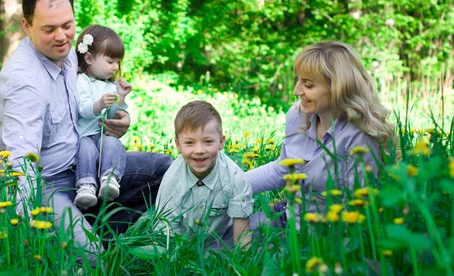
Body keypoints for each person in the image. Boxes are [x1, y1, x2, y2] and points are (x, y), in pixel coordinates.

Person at [0, 0, 172, 254]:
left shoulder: (71, 56)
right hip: (47, 183)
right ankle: (88, 240)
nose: (61, 36)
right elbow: (19, 165)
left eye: (67, 25)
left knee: (164, 170)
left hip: (84, 164)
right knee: (91, 256)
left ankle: (109, 233)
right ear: (26, 26)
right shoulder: (24, 83)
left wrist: (120, 117)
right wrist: (23, 232)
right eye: (49, 29)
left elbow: (95, 90)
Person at [245, 41, 394, 228]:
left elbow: (355, 211)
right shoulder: (298, 115)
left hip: (323, 234)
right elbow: (282, 170)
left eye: (308, 85)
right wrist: (229, 187)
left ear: (337, 88)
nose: (296, 91)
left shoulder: (359, 137)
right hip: (288, 215)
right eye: (298, 80)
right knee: (214, 243)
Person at [155, 100, 253, 247]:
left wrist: (240, 264)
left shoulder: (236, 178)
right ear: (178, 145)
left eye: (208, 142)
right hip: (181, 243)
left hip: (221, 237)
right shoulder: (172, 181)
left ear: (221, 142)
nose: (199, 150)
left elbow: (242, 239)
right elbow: (166, 234)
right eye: (189, 143)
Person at [73, 25, 132, 209]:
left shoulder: (111, 86)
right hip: (86, 135)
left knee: (113, 143)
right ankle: (86, 186)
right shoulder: (81, 81)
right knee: (85, 149)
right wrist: (99, 104)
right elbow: (82, 108)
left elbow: (113, 117)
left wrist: (120, 97)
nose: (115, 67)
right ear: (89, 58)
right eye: (110, 61)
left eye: (117, 62)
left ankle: (110, 179)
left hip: (103, 135)